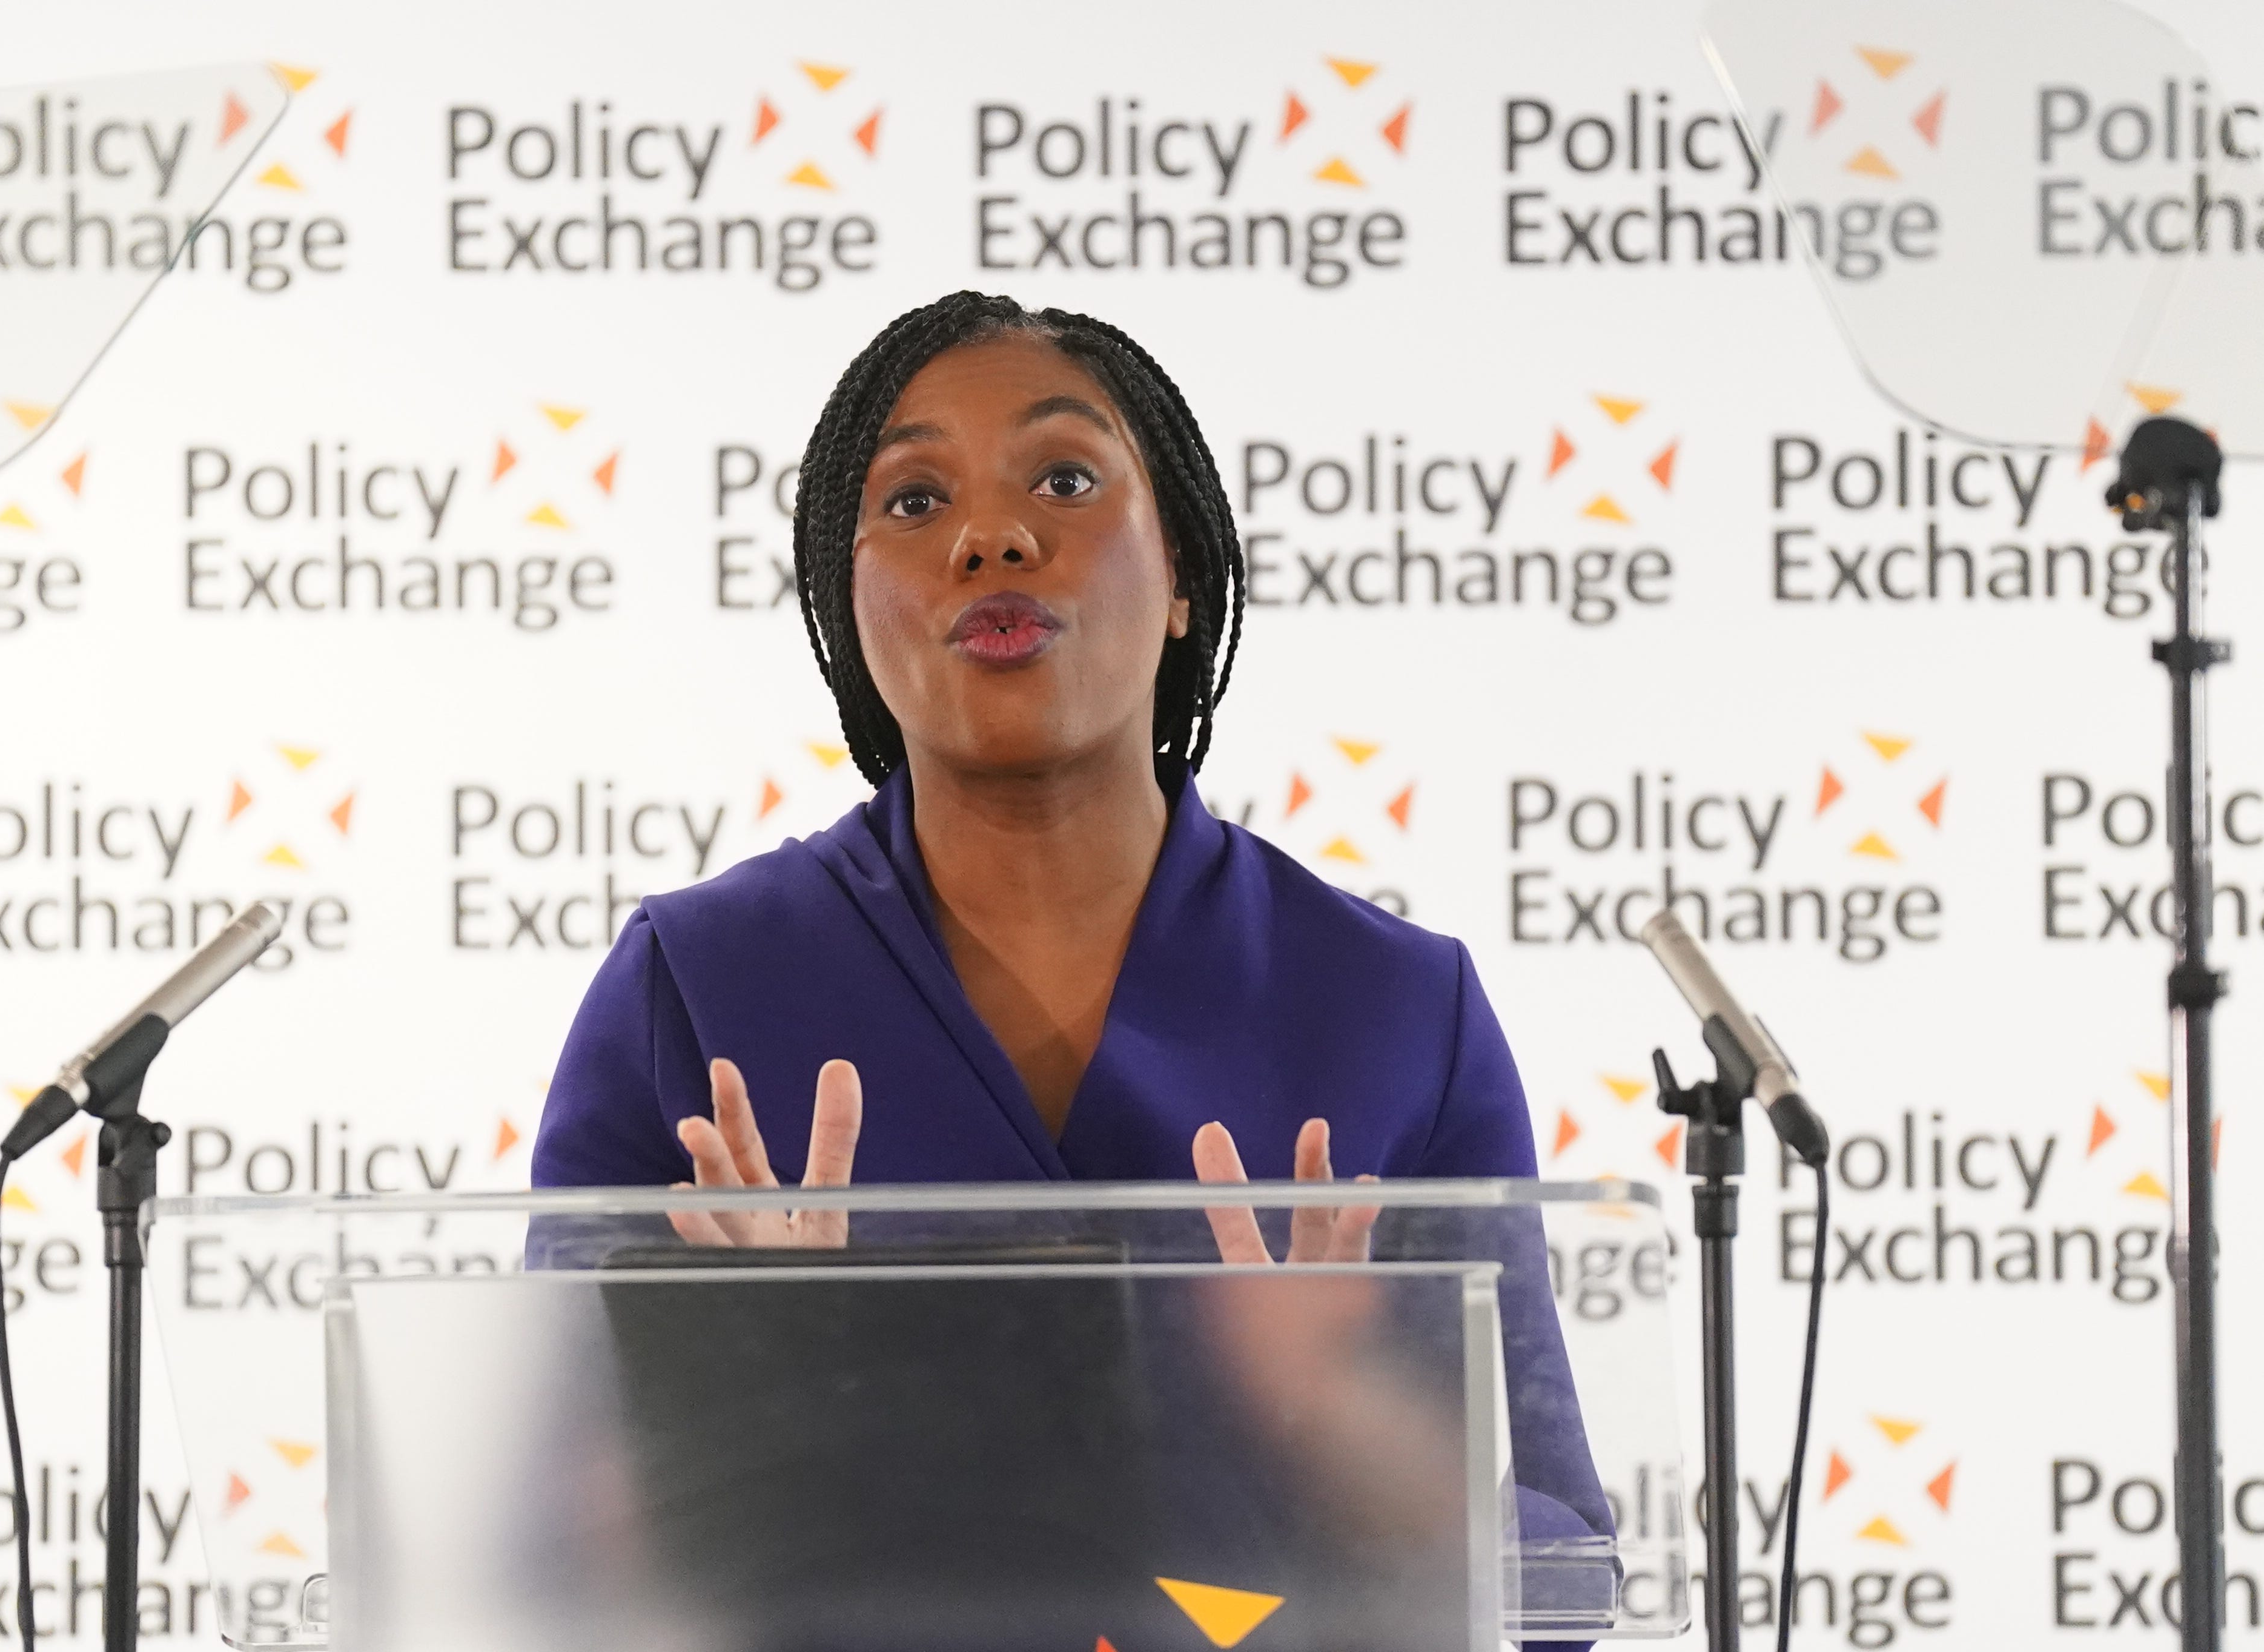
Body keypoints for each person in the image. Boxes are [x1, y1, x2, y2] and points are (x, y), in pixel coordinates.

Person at [531, 290, 1611, 1551]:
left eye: (1063, 478)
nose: (992, 536)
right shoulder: (694, 987)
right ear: (847, 608)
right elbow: (532, 1549)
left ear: (1184, 583)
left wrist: (1332, 1408)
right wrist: (748, 1399)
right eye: (916, 501)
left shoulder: (1399, 1009)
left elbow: (1554, 1561)